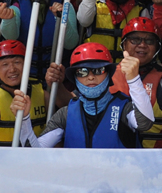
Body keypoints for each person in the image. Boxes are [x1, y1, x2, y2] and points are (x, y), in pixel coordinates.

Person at [19, 42, 154, 148]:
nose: (90, 77)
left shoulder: (124, 108)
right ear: (74, 78)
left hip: (118, 176)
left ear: (109, 74)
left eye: (98, 70)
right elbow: (34, 152)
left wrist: (133, 79)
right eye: (82, 72)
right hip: (79, 176)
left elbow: (145, 123)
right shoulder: (65, 115)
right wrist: (24, 119)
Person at [0, 39, 57, 146]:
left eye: (17, 62)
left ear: (26, 65)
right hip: (0, 155)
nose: (12, 69)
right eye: (5, 64)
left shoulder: (41, 91)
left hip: (35, 154)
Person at [111, 16, 162, 148]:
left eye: (149, 41)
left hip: (151, 158)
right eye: (135, 39)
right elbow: (74, 101)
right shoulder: (106, 74)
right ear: (124, 44)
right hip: (113, 156)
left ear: (156, 48)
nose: (142, 45)